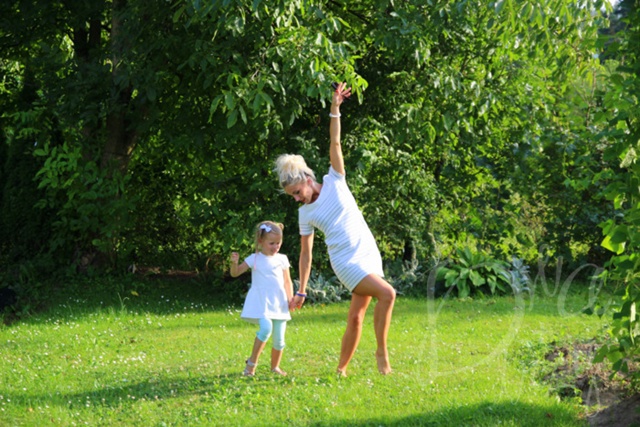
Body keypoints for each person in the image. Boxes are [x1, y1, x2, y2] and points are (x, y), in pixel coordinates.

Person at [274, 82, 396, 376]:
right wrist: (301, 290)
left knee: (356, 317)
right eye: (292, 196)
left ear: (307, 179)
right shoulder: (304, 214)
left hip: (366, 251)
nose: (296, 198)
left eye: (297, 192)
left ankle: (341, 369)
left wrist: (335, 109)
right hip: (345, 261)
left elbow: (335, 143)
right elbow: (306, 254)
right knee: (388, 294)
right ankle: (382, 353)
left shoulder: (335, 179)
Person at [230, 221, 294, 376]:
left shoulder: (282, 259)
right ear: (260, 241)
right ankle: (251, 364)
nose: (276, 247)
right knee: (265, 328)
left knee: (279, 339)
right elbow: (235, 273)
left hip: (279, 302)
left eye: (278, 243)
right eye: (271, 243)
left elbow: (287, 281)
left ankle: (275, 367)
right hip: (262, 302)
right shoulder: (254, 258)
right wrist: (234, 263)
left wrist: (291, 298)